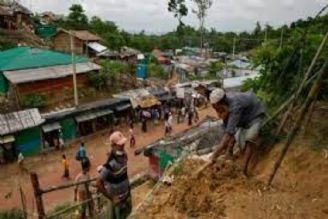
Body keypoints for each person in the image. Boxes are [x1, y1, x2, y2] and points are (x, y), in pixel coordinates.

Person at [209, 88, 265, 176]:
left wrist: (215, 154)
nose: (218, 113)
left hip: (254, 115)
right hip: (243, 120)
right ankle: (229, 155)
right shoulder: (226, 107)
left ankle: (243, 170)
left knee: (250, 140)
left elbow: (228, 134)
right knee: (233, 137)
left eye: (218, 109)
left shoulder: (235, 107)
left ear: (223, 103)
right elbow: (227, 130)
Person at [97, 131, 132, 219]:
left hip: (126, 196)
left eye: (123, 144)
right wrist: (112, 198)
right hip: (118, 201)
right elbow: (98, 183)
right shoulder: (110, 164)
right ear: (113, 146)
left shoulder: (124, 156)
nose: (123, 146)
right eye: (120, 145)